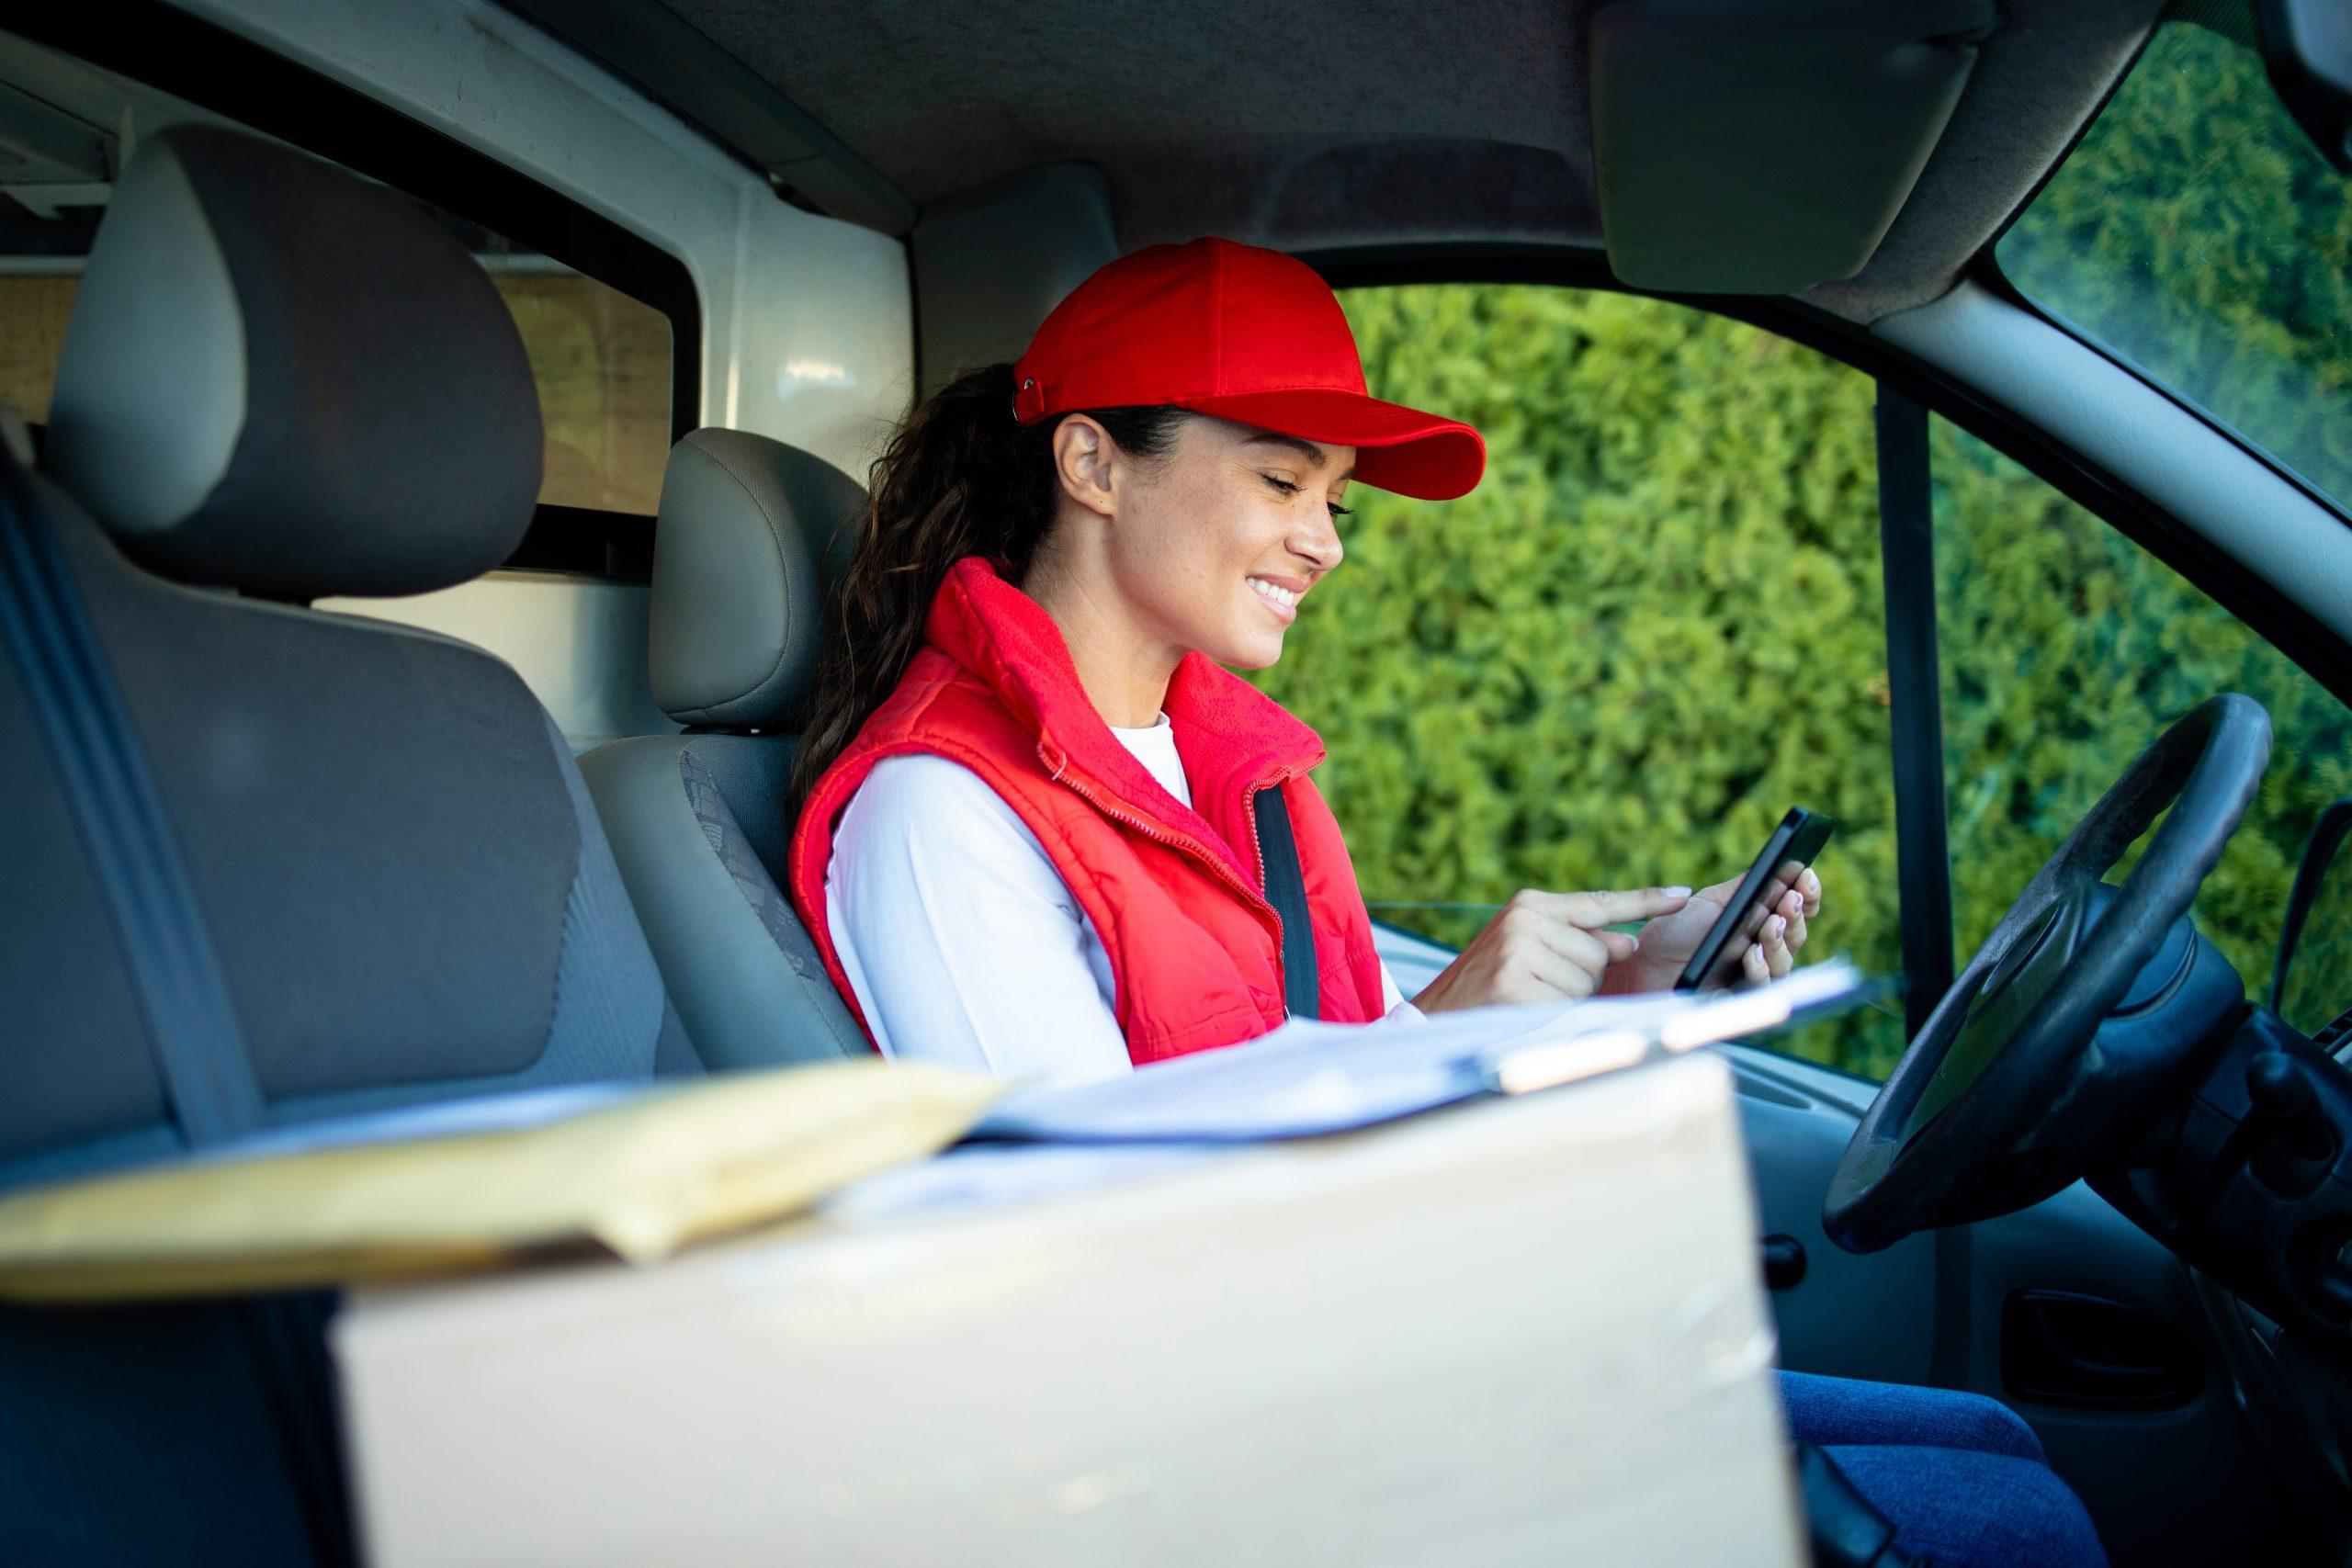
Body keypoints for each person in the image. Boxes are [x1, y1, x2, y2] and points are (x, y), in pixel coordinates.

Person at [784, 237, 2105, 1567]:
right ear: (1092, 465)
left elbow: (1317, 1095)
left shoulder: (1228, 765)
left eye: (1338, 502)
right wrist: (1439, 1031)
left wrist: (1613, 996)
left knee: (2000, 1445)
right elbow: (1093, 1275)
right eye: (1280, 477)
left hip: (1376, 1363)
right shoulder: (939, 815)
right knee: (2018, 1530)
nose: (1324, 544)